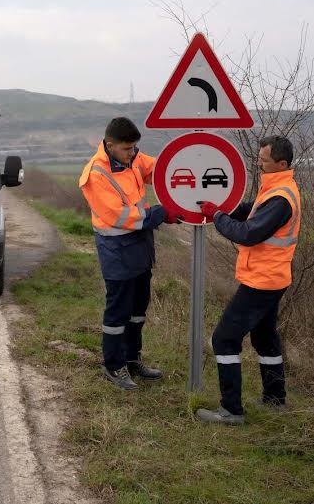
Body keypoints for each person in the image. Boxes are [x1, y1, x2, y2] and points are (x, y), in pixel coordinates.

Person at [196, 135, 300, 425]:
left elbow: (247, 233)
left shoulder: (281, 198)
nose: (259, 164)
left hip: (262, 280)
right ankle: (275, 399)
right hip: (272, 277)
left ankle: (231, 410)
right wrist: (225, 208)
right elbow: (250, 210)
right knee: (265, 338)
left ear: (281, 163)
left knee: (224, 339)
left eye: (263, 161)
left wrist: (216, 216)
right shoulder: (278, 188)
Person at [79, 117, 180, 390]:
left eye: (135, 148)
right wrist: (161, 213)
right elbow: (121, 217)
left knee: (138, 311)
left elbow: (159, 168)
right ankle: (114, 366)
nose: (133, 153)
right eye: (127, 148)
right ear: (109, 145)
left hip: (140, 248)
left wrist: (186, 164)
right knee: (118, 313)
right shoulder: (96, 175)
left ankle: (132, 360)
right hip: (117, 253)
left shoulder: (132, 158)